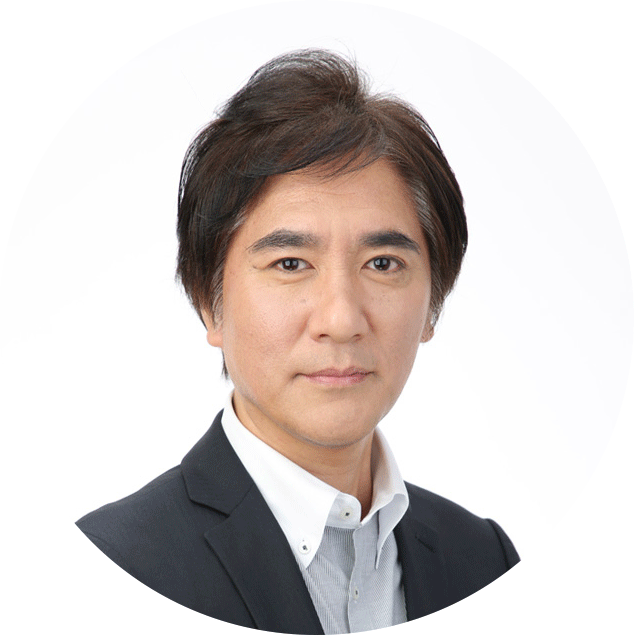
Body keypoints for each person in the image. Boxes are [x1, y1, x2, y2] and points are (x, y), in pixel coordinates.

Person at [76, 49, 519, 634]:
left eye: (383, 263)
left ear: (433, 303)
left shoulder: (485, 562)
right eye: (290, 263)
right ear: (209, 301)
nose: (341, 319)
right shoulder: (110, 570)